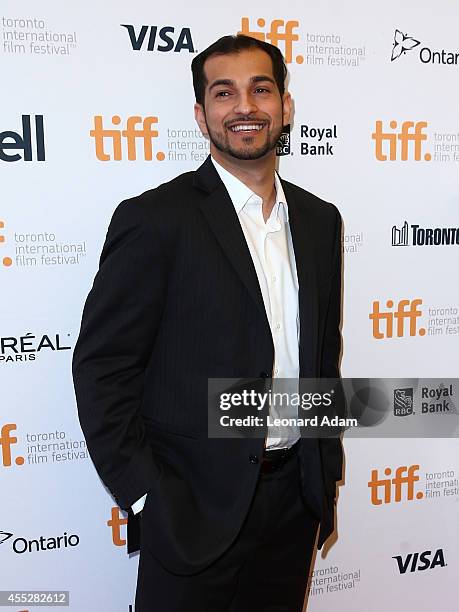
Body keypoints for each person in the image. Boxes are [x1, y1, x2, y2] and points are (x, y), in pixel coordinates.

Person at [72, 34, 344, 612]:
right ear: (202, 115)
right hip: (192, 512)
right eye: (225, 93)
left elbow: (322, 354)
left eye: (261, 89)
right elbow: (103, 368)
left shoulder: (321, 222)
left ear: (285, 107)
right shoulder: (154, 220)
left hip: (293, 502)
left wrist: (323, 473)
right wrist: (148, 498)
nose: (244, 107)